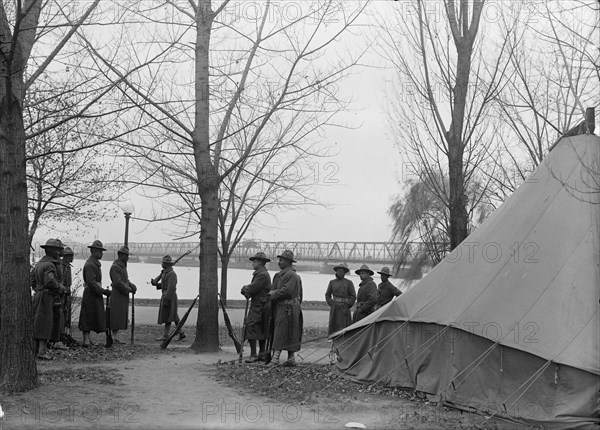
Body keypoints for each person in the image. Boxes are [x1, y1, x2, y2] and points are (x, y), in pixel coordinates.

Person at [267, 250, 303, 367]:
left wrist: (273, 294)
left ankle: (277, 359)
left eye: (281, 260)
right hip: (282, 307)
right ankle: (287, 358)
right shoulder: (280, 275)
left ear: (288, 262)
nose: (279, 262)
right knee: (283, 332)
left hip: (289, 308)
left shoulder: (291, 275)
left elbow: (287, 291)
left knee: (286, 333)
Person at [31, 239, 65, 360]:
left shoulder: (39, 264)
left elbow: (32, 281)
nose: (58, 252)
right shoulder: (50, 265)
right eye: (56, 250)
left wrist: (39, 289)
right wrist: (60, 288)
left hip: (39, 296)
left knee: (38, 324)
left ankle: (36, 351)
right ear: (51, 251)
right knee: (45, 324)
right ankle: (41, 352)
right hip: (47, 297)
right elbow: (50, 281)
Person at [240, 252, 272, 363]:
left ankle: (254, 355)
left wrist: (245, 289)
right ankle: (261, 354)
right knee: (261, 328)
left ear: (260, 262)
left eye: (254, 261)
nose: (252, 263)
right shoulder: (261, 274)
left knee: (251, 326)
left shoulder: (262, 275)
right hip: (261, 304)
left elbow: (253, 288)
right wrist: (248, 291)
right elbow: (254, 290)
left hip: (260, 305)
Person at [79, 240, 111, 347]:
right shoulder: (90, 265)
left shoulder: (95, 264)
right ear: (93, 251)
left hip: (95, 293)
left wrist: (101, 291)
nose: (101, 253)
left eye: (102, 251)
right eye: (100, 251)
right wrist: (103, 291)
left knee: (94, 316)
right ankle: (86, 340)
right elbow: (92, 283)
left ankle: (88, 339)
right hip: (90, 293)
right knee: (87, 316)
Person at [109, 246, 137, 344]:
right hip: (117, 295)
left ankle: (115, 337)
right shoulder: (115, 267)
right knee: (115, 316)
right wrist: (128, 288)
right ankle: (112, 337)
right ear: (121, 255)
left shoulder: (122, 266)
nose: (127, 257)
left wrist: (131, 285)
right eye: (126, 255)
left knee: (120, 316)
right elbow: (117, 282)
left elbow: (125, 280)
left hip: (122, 296)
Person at [156, 255, 186, 342]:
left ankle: (166, 335)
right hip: (166, 295)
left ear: (166, 264)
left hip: (170, 297)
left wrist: (166, 298)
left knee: (169, 316)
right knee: (172, 316)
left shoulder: (172, 274)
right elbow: (164, 285)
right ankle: (181, 333)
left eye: (163, 263)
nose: (162, 264)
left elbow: (171, 288)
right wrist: (156, 283)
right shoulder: (166, 273)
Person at [325, 262, 356, 336]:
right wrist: (331, 303)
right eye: (339, 271)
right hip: (335, 307)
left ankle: (344, 339)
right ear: (336, 272)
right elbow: (327, 295)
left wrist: (348, 305)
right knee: (334, 326)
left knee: (344, 326)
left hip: (344, 307)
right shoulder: (332, 282)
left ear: (345, 273)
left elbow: (353, 296)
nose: (340, 273)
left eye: (342, 272)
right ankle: (333, 338)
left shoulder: (349, 283)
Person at [61, 246, 75, 344]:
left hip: (68, 292)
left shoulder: (67, 266)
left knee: (67, 315)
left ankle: (67, 334)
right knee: (63, 314)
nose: (72, 258)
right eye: (70, 256)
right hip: (63, 293)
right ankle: (62, 336)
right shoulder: (62, 266)